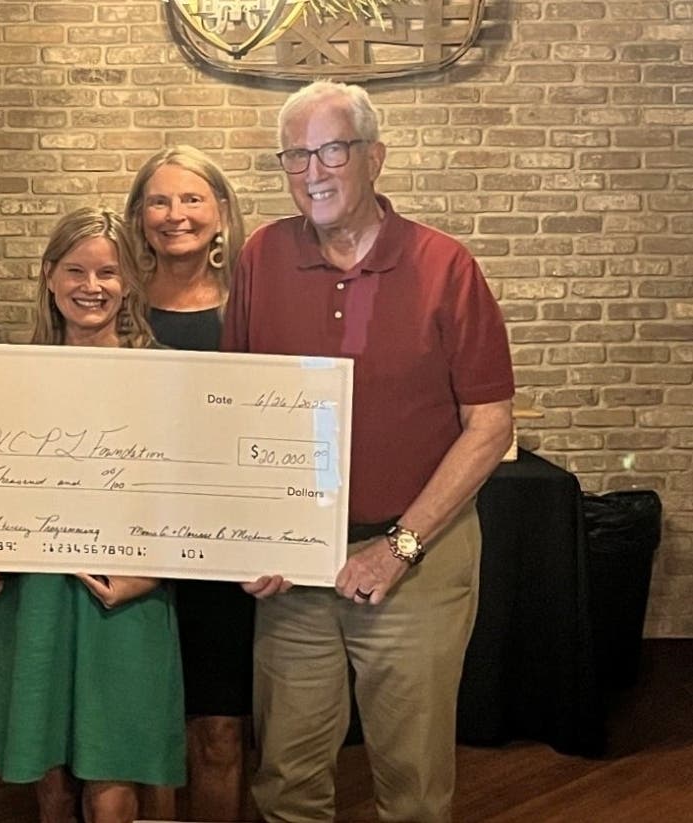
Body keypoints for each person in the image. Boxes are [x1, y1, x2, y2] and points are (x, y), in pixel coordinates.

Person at [221, 80, 515, 823]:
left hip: (414, 555)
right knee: (285, 779)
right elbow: (230, 404)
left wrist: (400, 545)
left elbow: (489, 425)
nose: (312, 172)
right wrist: (249, 534)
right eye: (295, 155)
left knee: (411, 785)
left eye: (331, 150)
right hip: (296, 565)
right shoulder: (262, 255)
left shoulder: (445, 266)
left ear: (373, 157)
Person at [0, 207, 186, 823]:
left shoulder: (166, 374)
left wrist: (155, 575)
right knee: (49, 772)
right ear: (48, 276)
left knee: (114, 760)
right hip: (35, 590)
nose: (92, 286)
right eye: (76, 270)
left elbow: (191, 498)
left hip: (129, 591)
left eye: (109, 273)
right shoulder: (7, 375)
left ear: (129, 284)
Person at [124, 146, 253, 822]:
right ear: (138, 217)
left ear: (221, 210)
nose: (175, 215)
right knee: (139, 726)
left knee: (219, 728)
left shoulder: (254, 308)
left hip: (224, 553)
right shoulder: (115, 307)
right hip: (131, 545)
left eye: (191, 198)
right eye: (159, 201)